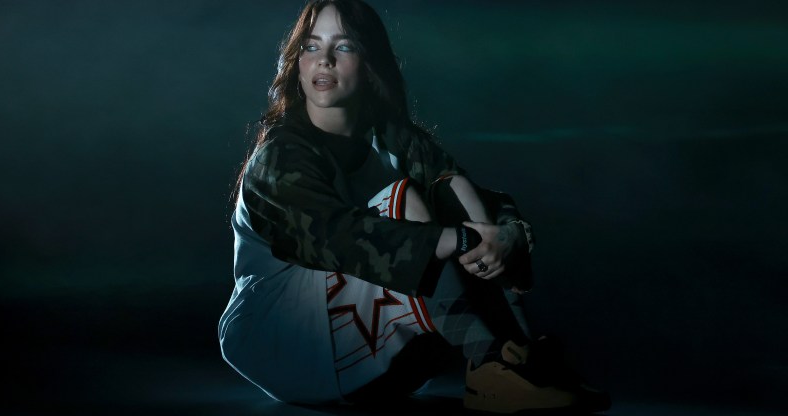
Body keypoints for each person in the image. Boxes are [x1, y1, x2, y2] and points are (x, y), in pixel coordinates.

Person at [218, 0, 610, 413]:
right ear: (297, 63)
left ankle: (518, 358)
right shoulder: (279, 154)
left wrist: (508, 234)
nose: (324, 60)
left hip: (367, 352)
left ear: (370, 62)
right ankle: (489, 361)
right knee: (401, 199)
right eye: (311, 47)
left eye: (344, 46)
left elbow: (472, 195)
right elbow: (337, 239)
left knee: (451, 188)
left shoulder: (392, 137)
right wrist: (458, 239)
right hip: (281, 339)